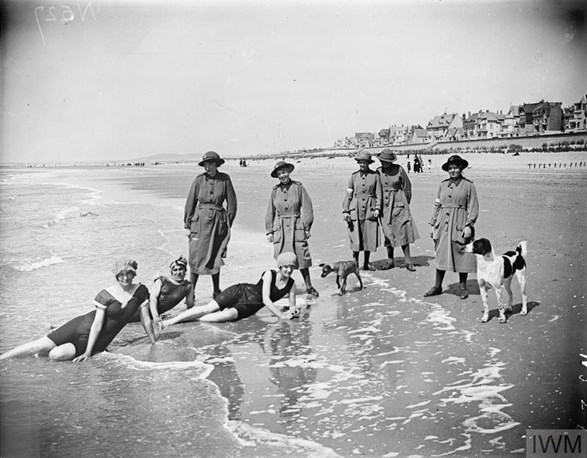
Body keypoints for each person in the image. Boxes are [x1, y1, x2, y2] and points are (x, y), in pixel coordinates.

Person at [0, 259, 156, 361]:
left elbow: (145, 318)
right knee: (39, 345)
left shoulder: (141, 291)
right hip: (81, 326)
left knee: (55, 355)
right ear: (116, 275)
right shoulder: (105, 294)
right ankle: (2, 358)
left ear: (133, 273)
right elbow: (97, 324)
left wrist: (154, 342)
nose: (125, 278)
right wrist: (88, 353)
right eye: (121, 274)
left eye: (128, 273)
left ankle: (52, 345)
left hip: (98, 341)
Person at [161, 252, 300, 324]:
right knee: (207, 309)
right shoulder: (270, 274)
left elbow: (292, 306)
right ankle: (171, 321)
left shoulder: (291, 284)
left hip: (250, 307)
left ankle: (190, 318)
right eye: (286, 267)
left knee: (224, 317)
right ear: (280, 266)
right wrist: (281, 315)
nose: (289, 270)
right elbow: (266, 299)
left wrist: (293, 312)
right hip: (240, 291)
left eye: (291, 267)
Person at [424, 155, 479, 299]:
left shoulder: (469, 185)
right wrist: (432, 224)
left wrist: (469, 225)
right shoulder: (442, 185)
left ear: (461, 169)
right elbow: (437, 205)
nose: (452, 171)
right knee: (441, 254)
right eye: (450, 168)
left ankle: (462, 287)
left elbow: (473, 207)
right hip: (442, 224)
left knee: (462, 254)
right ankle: (437, 286)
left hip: (460, 223)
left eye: (455, 168)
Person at [185, 151, 237, 299]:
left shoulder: (225, 180)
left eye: (211, 164)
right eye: (205, 164)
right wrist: (187, 225)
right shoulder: (198, 180)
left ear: (217, 164)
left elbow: (232, 204)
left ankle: (216, 290)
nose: (208, 167)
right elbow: (190, 203)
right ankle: (191, 291)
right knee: (195, 256)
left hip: (218, 222)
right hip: (199, 222)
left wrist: (227, 223)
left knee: (215, 255)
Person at [265, 160, 319, 297]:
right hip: (280, 228)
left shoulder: (298, 187)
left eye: (284, 172)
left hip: (297, 226)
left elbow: (307, 207)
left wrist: (307, 227)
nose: (282, 176)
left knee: (302, 257)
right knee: (283, 259)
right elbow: (270, 211)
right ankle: (283, 288)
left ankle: (308, 286)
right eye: (279, 174)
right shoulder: (274, 191)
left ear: (288, 172)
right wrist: (269, 230)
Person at [376, 149, 419, 271]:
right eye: (383, 161)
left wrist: (406, 202)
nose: (385, 163)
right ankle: (390, 260)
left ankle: (408, 261)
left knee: (402, 231)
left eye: (387, 161)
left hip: (399, 203)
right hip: (384, 206)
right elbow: (375, 189)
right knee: (387, 232)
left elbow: (407, 186)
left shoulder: (399, 169)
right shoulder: (378, 172)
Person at [129, 255, 194, 329]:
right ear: (171, 272)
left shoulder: (188, 286)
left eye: (181, 269)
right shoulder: (162, 280)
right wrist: (155, 315)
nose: (178, 272)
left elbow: (190, 305)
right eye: (175, 270)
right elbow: (153, 298)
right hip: (141, 307)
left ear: (185, 270)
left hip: (151, 315)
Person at [342, 151, 382, 271]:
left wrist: (377, 208)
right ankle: (355, 264)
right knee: (356, 236)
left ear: (368, 163)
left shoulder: (375, 176)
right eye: (360, 163)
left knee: (368, 236)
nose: (362, 165)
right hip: (356, 209)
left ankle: (366, 262)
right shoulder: (354, 176)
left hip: (370, 209)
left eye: (364, 163)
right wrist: (345, 210)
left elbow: (378, 193)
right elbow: (349, 194)